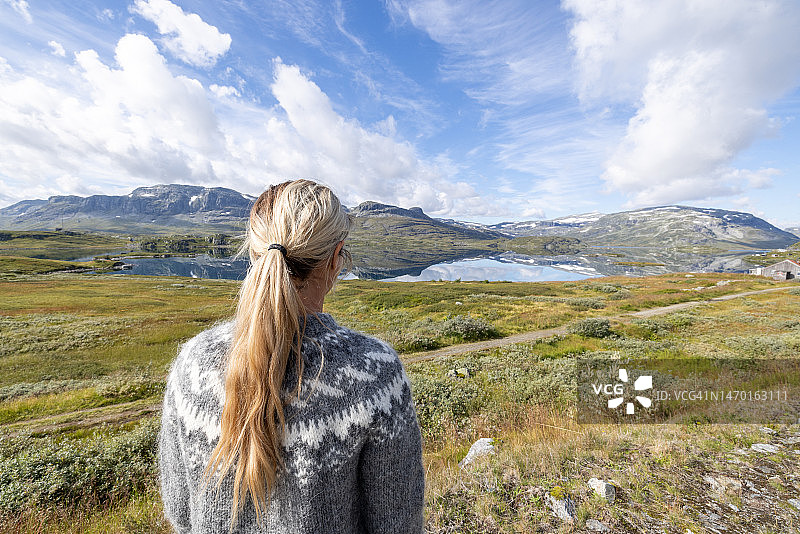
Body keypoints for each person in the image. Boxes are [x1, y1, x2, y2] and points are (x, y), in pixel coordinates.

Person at [158, 179, 425, 533]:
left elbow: (180, 511)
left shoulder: (193, 364)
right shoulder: (376, 377)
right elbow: (398, 524)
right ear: (335, 259)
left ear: (254, 253)